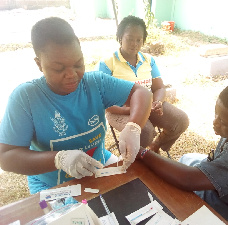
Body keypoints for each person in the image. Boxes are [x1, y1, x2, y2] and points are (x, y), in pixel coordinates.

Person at [0, 17, 152, 194]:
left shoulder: (95, 83)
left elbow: (142, 93)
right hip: (53, 186)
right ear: (39, 64)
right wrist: (59, 158)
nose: (72, 75)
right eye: (59, 68)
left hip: (98, 168)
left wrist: (133, 126)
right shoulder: (26, 98)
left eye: (78, 64)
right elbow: (6, 156)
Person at [136, 78, 228, 225]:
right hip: (222, 190)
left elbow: (188, 180)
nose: (215, 122)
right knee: (184, 160)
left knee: (173, 203)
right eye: (217, 114)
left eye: (224, 122)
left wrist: (142, 153)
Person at [95, 15, 189, 154]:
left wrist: (157, 102)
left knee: (180, 120)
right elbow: (104, 102)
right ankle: (133, 160)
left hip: (148, 105)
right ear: (120, 37)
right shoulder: (108, 63)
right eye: (130, 39)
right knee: (144, 131)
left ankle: (154, 146)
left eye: (139, 40)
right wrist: (132, 109)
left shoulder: (148, 60)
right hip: (118, 110)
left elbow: (159, 87)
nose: (134, 43)